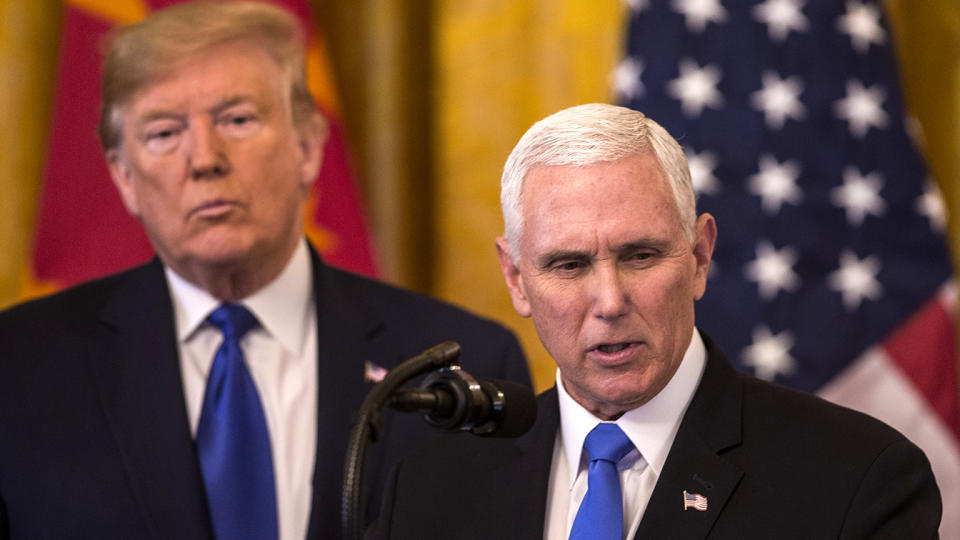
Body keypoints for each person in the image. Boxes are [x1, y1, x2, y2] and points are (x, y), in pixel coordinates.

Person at [0, 2, 529, 539]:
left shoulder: (472, 361)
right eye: (163, 133)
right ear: (124, 178)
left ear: (307, 146)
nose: (205, 158)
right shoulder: (19, 368)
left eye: (237, 119)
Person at [374, 103, 942, 539]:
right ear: (517, 279)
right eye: (569, 265)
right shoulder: (431, 487)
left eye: (639, 256)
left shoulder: (855, 480)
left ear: (699, 255)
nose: (610, 301)